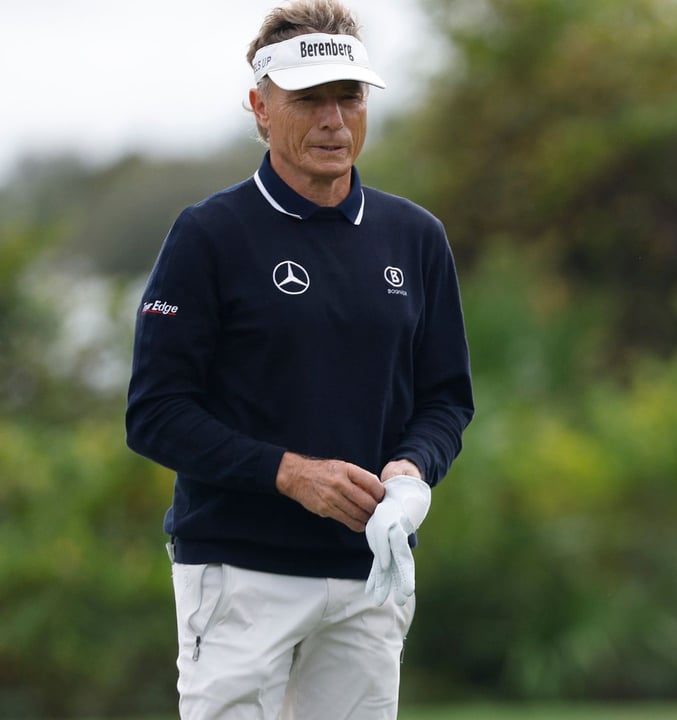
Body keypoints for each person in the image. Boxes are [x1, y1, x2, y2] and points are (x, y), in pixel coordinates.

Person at [125, 1, 474, 717]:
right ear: (260, 106)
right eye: (308, 100)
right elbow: (155, 415)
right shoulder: (208, 236)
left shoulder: (414, 237)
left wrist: (414, 467)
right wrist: (288, 474)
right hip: (236, 574)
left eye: (349, 97)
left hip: (367, 577)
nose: (334, 120)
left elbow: (446, 399)